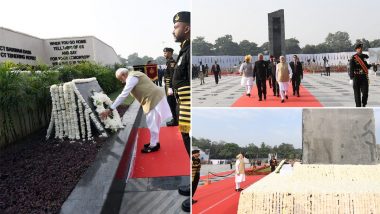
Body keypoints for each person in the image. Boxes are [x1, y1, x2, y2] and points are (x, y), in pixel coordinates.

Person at [100, 68, 172, 153]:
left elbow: (123, 95)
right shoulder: (134, 74)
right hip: (152, 98)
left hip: (152, 99)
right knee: (153, 123)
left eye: (120, 79)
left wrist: (110, 109)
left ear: (123, 75)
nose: (121, 82)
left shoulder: (131, 77)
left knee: (152, 123)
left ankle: (154, 145)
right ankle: (154, 142)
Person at [172, 11, 191, 212]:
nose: (173, 31)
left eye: (176, 27)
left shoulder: (190, 51)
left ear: (187, 28)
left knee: (191, 148)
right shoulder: (184, 50)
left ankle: (196, 192)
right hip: (183, 107)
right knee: (187, 144)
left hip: (188, 108)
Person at [350, 43, 371, 107]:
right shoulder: (353, 58)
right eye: (359, 48)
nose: (360, 49)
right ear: (356, 49)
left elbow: (367, 66)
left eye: (361, 48)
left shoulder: (365, 56)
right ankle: (358, 107)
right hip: (356, 76)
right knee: (357, 94)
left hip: (364, 76)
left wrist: (372, 64)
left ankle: (363, 103)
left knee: (365, 92)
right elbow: (351, 68)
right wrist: (351, 78)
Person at [163, 47, 178, 126]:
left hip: (170, 86)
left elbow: (172, 76)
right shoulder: (168, 62)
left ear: (170, 53)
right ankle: (175, 118)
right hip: (168, 86)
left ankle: (175, 120)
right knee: (171, 102)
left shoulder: (171, 62)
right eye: (164, 53)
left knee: (171, 102)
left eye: (165, 53)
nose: (164, 54)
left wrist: (170, 88)